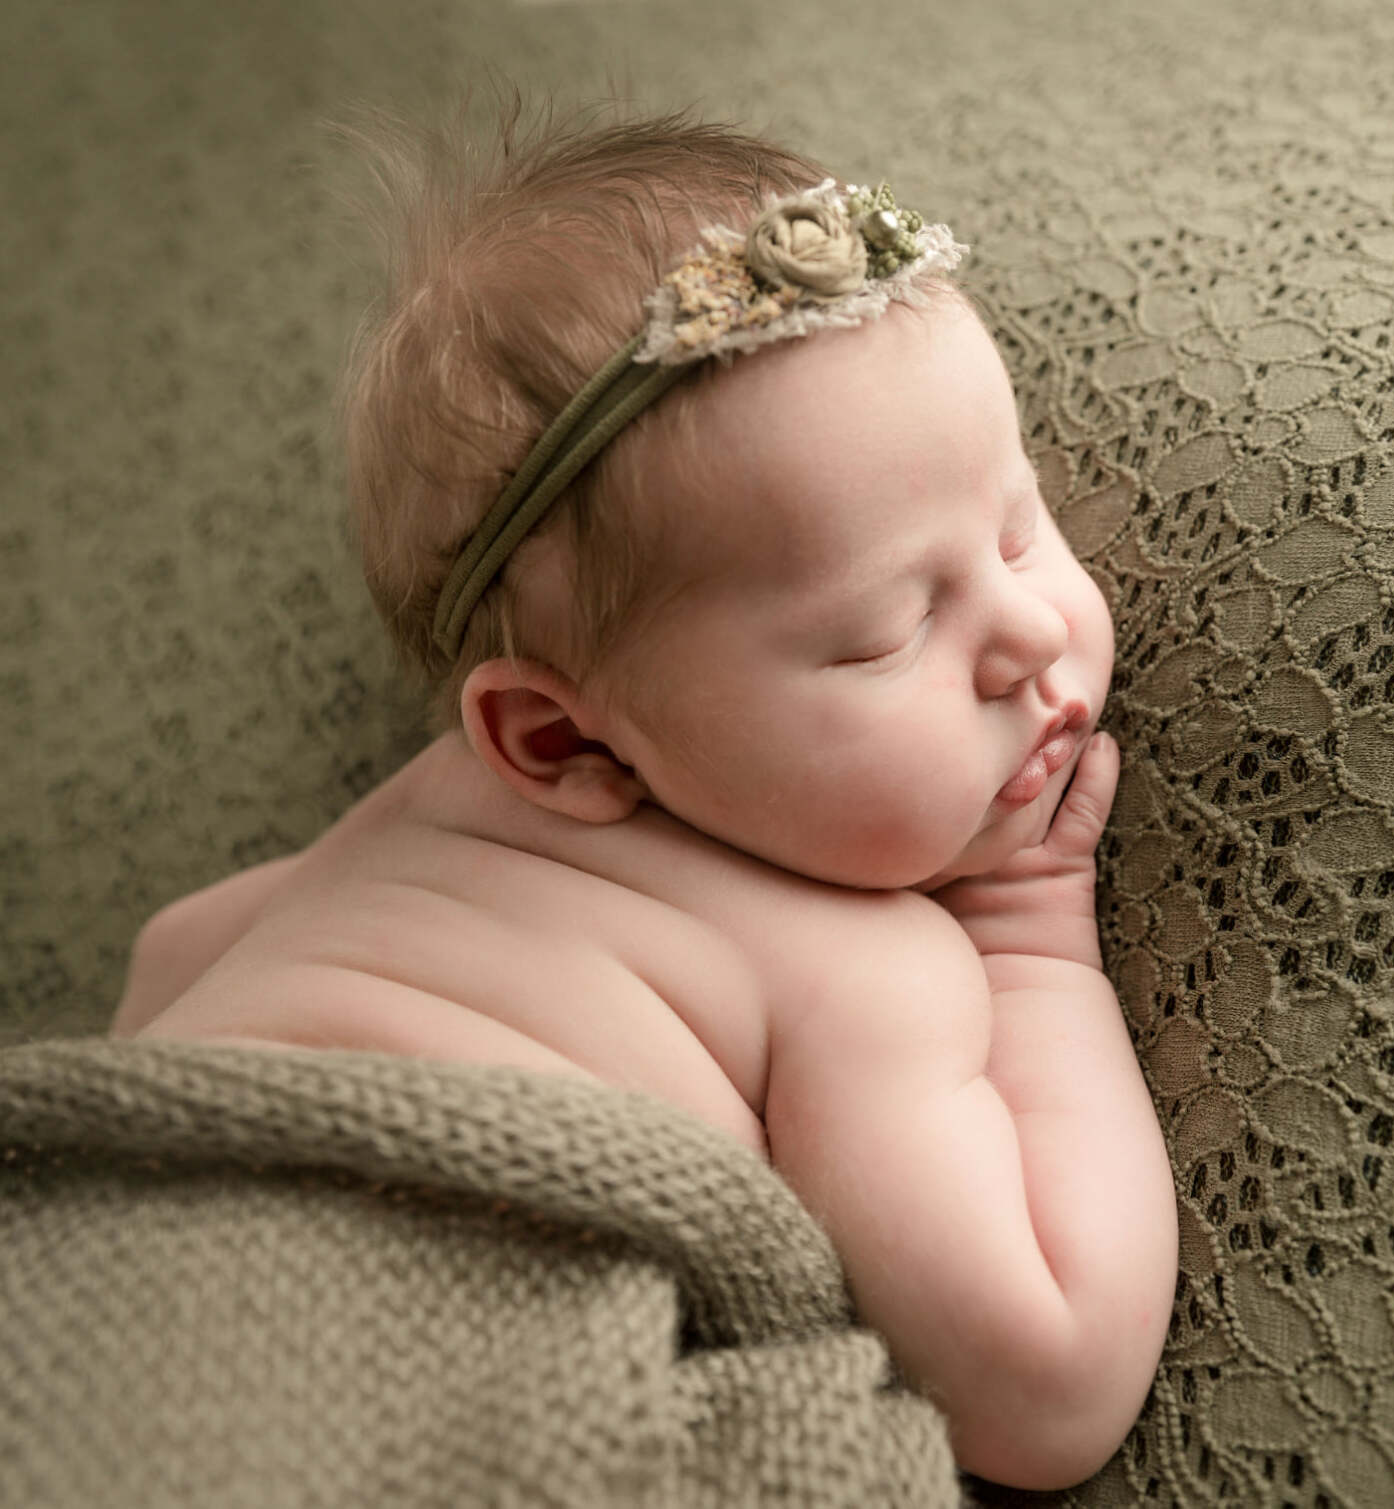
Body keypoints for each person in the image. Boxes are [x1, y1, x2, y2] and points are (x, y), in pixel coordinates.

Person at [109, 98, 1178, 1492]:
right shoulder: (863, 969)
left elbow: (170, 955)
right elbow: (1045, 1385)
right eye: (885, 632)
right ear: (566, 748)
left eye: (1017, 525)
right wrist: (1031, 942)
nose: (1031, 635)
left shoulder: (418, 824)